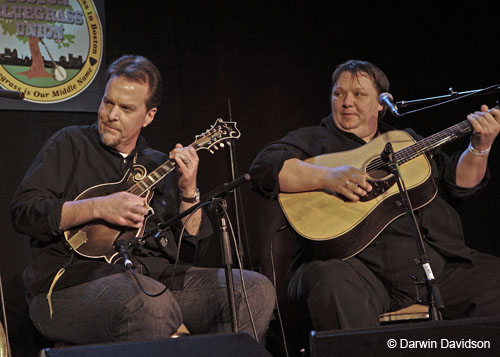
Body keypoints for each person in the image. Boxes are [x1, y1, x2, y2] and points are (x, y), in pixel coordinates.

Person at [10, 54, 275, 345]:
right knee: (148, 301)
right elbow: (24, 212)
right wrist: (99, 206)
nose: (111, 115)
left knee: (254, 289)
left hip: (154, 280)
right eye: (108, 102)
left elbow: (189, 253)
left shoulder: (158, 165)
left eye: (126, 108)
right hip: (70, 285)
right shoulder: (69, 144)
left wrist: (188, 191)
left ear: (149, 116)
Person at [249, 59, 500, 338]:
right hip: (354, 270)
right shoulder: (311, 141)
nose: (346, 102)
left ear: (381, 104)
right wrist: (327, 176)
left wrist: (480, 147)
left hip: (432, 266)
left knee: (494, 279)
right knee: (330, 282)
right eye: (338, 93)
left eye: (358, 94)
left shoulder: (405, 140)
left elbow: (459, 185)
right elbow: (263, 169)